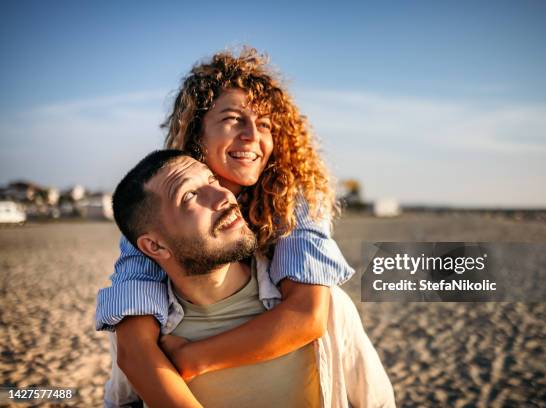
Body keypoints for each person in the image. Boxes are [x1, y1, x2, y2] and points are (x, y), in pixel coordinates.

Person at [95, 47, 356, 405]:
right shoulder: (157, 217)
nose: (252, 135)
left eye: (264, 124)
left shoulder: (292, 201)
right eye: (234, 119)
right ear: (196, 132)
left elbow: (308, 316)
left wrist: (194, 357)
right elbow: (134, 348)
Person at [109, 150, 395, 407]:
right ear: (155, 246)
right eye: (190, 196)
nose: (223, 197)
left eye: (213, 181)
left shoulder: (328, 305)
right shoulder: (143, 335)